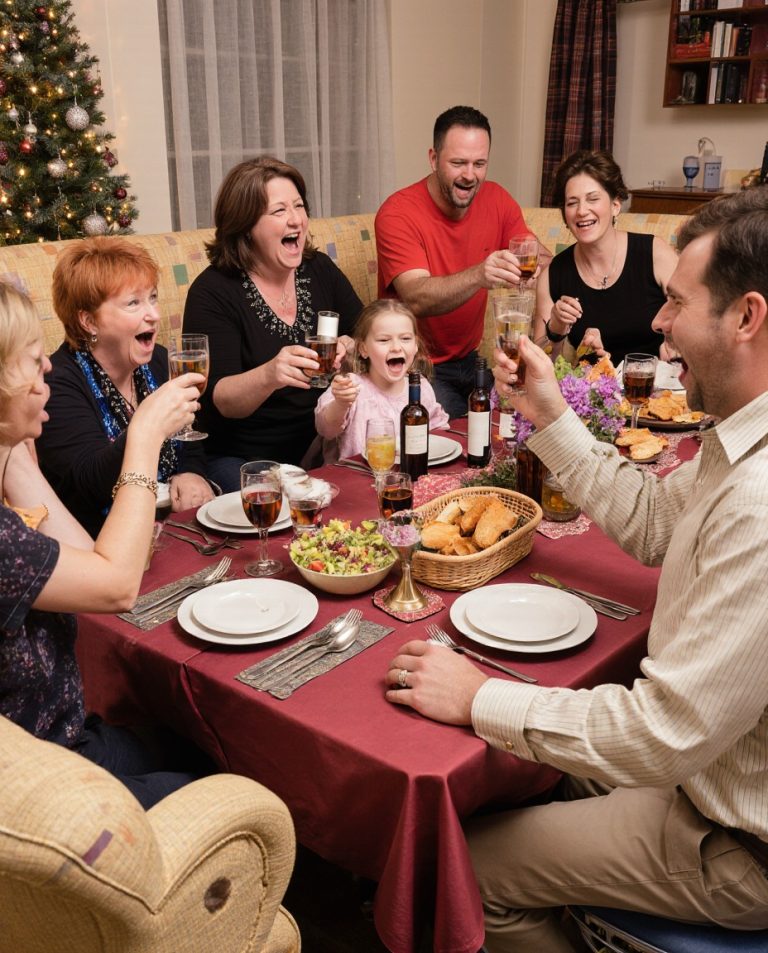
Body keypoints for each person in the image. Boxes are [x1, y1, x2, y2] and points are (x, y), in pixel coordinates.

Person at [384, 186, 768, 952]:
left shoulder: (761, 504)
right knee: (519, 776)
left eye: (675, 304)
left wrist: (481, 696)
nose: (658, 326)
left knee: (463, 872)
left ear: (747, 317)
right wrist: (553, 416)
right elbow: (657, 524)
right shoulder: (739, 437)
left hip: (733, 838)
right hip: (706, 767)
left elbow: (665, 731)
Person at [1, 281, 206, 809]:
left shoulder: (11, 464)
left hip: (65, 733)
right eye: (29, 360)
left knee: (206, 745)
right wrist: (143, 437)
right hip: (36, 784)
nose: (47, 367)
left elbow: (102, 560)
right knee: (226, 790)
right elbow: (117, 587)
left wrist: (16, 452)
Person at [183, 156, 363, 491]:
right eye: (279, 211)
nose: (296, 219)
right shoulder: (213, 292)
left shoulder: (318, 269)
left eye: (299, 206)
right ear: (246, 226)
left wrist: (348, 345)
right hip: (244, 459)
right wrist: (269, 375)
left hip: (322, 442)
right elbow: (219, 399)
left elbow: (365, 330)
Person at [375, 105, 549, 420]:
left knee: (520, 418)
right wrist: (480, 274)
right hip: (416, 366)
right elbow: (415, 296)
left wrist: (535, 265)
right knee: (464, 436)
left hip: (471, 361)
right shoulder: (398, 212)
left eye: (479, 163)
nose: (470, 175)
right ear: (433, 159)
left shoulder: (496, 198)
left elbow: (538, 253)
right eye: (458, 163)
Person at [36, 237, 214, 538]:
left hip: (171, 528)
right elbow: (90, 482)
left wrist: (191, 472)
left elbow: (190, 436)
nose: (154, 315)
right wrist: (148, 425)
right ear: (89, 321)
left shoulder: (158, 361)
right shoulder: (59, 384)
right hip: (102, 541)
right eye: (134, 303)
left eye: (153, 298)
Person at [535, 150, 678, 365]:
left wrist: (674, 341)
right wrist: (555, 329)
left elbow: (696, 314)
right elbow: (538, 365)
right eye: (572, 203)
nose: (582, 211)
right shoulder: (553, 274)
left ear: (615, 205)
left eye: (593, 199)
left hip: (659, 390)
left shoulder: (654, 253)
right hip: (593, 393)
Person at [314, 298, 449, 461]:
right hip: (358, 479)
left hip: (408, 477)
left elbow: (438, 430)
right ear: (364, 349)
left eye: (405, 338)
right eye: (384, 340)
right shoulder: (351, 386)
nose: (396, 347)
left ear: (416, 345)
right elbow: (326, 428)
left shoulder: (419, 386)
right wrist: (341, 403)